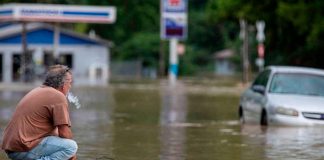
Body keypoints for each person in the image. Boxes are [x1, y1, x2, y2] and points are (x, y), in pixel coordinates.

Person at [1, 65, 77, 160]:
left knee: (63, 143)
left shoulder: (39, 90)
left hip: (13, 148)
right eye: (70, 82)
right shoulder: (58, 96)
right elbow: (65, 133)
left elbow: (57, 133)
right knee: (71, 147)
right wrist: (72, 155)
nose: (70, 86)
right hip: (23, 148)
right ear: (63, 84)